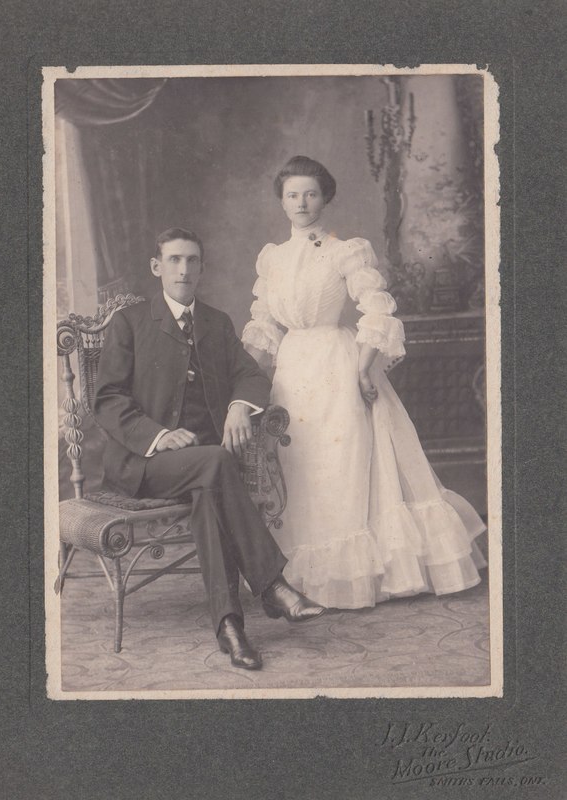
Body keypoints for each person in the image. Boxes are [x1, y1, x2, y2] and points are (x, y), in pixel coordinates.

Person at [242, 155, 487, 610]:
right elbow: (261, 325)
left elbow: (377, 309)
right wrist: (240, 386)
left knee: (342, 465)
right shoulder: (272, 259)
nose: (302, 202)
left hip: (338, 364)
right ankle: (300, 579)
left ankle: (358, 578)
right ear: (281, 200)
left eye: (311, 193)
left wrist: (361, 367)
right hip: (293, 369)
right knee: (299, 465)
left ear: (326, 198)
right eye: (293, 194)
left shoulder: (345, 250)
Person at [93, 226, 325, 671]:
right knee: (218, 462)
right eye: (175, 260)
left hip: (203, 471)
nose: (184, 269)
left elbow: (252, 375)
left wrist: (240, 406)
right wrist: (159, 436)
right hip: (145, 465)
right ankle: (273, 586)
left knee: (209, 489)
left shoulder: (216, 322)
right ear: (157, 267)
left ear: (202, 267)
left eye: (192, 260)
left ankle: (230, 628)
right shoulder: (131, 323)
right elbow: (107, 399)